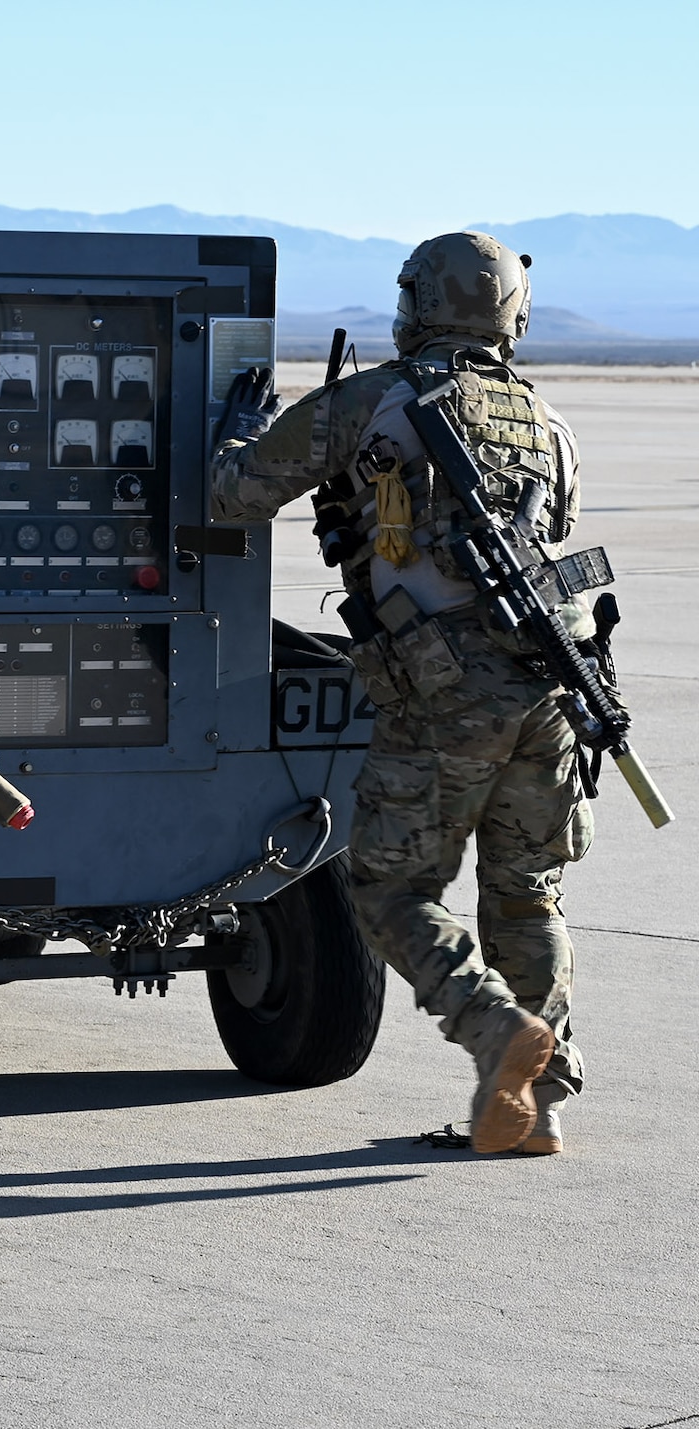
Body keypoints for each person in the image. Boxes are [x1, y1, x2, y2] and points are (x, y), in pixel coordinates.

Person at [211, 231, 591, 1155]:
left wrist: (238, 426)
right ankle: (534, 1106)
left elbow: (233, 495)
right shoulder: (547, 422)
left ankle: (498, 1031)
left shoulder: (381, 398)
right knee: (527, 893)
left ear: (419, 303)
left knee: (387, 889)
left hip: (444, 694)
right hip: (552, 689)